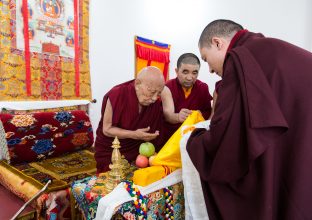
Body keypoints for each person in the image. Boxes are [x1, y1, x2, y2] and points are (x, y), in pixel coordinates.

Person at [186, 19, 312, 219]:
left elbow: (225, 139)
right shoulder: (272, 47)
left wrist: (195, 140)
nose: (209, 70)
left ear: (217, 43)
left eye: (206, 58)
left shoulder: (239, 60)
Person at [94, 66, 165, 173]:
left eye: (159, 93)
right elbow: (107, 129)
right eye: (151, 92)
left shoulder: (155, 103)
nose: (155, 98)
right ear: (137, 84)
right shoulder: (117, 94)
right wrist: (134, 134)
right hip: (112, 150)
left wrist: (150, 136)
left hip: (138, 151)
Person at [161, 53, 212, 137]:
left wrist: (200, 114)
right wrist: (178, 117)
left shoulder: (203, 88)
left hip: (193, 137)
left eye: (194, 73)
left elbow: (207, 112)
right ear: (177, 71)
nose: (189, 78)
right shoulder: (168, 87)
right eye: (185, 72)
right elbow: (167, 115)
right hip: (170, 138)